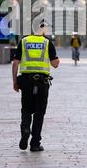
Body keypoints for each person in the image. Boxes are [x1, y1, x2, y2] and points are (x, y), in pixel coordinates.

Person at [12, 21, 60, 152]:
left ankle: (25, 129)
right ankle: (35, 143)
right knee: (39, 112)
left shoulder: (24, 41)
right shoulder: (47, 42)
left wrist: (15, 81)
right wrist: (56, 60)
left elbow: (15, 63)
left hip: (26, 81)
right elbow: (55, 64)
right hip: (42, 82)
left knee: (26, 109)